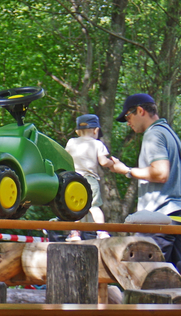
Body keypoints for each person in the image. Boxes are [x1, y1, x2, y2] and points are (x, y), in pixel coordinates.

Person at [109, 93, 181, 270]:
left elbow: (160, 173)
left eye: (128, 116)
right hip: (176, 218)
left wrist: (126, 171)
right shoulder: (170, 133)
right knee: (173, 285)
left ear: (140, 110)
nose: (128, 122)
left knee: (141, 278)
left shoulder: (154, 134)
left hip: (159, 220)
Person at [65, 114, 113, 240]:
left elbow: (65, 158)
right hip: (90, 179)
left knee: (76, 207)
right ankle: (102, 232)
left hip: (74, 180)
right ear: (96, 130)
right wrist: (112, 163)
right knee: (94, 206)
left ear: (77, 131)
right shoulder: (97, 144)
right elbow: (103, 162)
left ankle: (75, 233)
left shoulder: (71, 142)